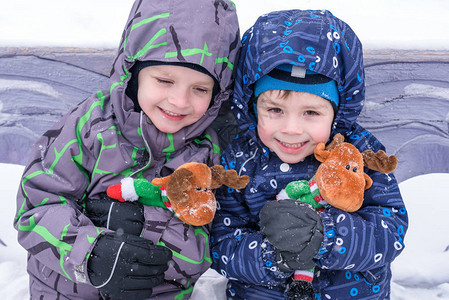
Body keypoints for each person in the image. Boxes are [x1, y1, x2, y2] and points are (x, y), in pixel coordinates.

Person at [14, 0, 240, 299]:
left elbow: (205, 245)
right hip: (67, 291)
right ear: (133, 72)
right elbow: (35, 208)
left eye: (200, 89)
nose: (180, 101)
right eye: (164, 80)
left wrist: (149, 228)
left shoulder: (206, 154)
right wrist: (92, 252)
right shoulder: (90, 126)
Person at [210, 9, 408, 299]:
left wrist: (327, 237)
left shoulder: (359, 156)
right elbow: (220, 243)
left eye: (311, 112)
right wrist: (271, 255)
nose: (291, 129)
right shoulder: (240, 163)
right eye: (275, 110)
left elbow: (390, 231)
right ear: (252, 107)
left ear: (338, 113)